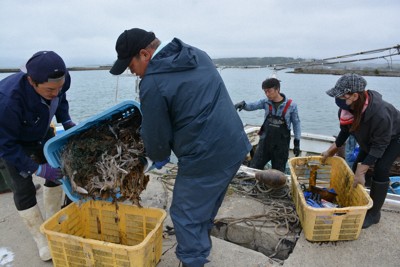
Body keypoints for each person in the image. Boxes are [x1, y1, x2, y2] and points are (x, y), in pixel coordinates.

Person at [110, 28, 251, 267]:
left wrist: (158, 156)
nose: (131, 72)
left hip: (205, 156)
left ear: (145, 54)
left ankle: (192, 261)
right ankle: (199, 249)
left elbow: (156, 134)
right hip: (235, 145)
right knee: (204, 207)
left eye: (130, 65)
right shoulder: (197, 54)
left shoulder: (152, 83)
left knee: (185, 215)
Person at [0, 51, 76, 261]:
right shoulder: (7, 100)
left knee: (58, 173)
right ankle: (41, 240)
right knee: (23, 189)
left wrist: (66, 120)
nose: (55, 92)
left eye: (59, 87)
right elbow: (7, 147)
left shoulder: (61, 81)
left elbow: (60, 101)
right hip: (13, 142)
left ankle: (52, 221)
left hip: (42, 132)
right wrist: (38, 169)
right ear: (31, 81)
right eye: (50, 89)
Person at [321, 73, 400, 229]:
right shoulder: (346, 110)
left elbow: (380, 145)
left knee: (381, 169)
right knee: (356, 165)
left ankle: (374, 214)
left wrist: (362, 172)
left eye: (341, 96)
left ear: (355, 96)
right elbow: (345, 132)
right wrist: (330, 151)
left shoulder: (380, 114)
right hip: (372, 139)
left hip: (394, 138)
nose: (337, 100)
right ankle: (354, 200)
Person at [234, 78, 301, 172]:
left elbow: (296, 124)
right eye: (265, 92)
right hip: (265, 143)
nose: (267, 94)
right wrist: (243, 105)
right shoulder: (265, 102)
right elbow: (252, 106)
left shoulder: (291, 105)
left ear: (277, 89)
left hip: (281, 146)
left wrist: (297, 143)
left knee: (278, 172)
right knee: (254, 167)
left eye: (269, 91)